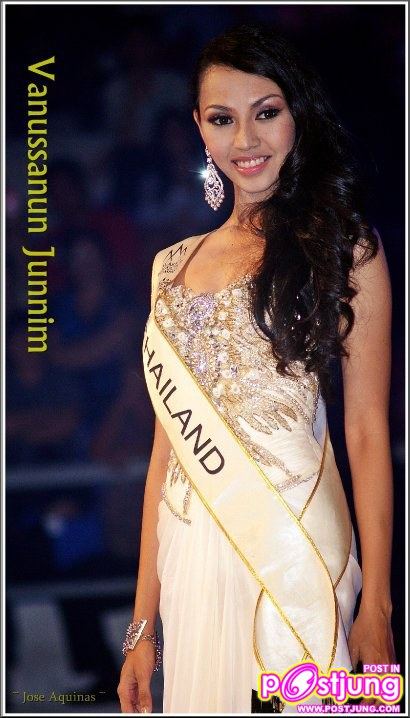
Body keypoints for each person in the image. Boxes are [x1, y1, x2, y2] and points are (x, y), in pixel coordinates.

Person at [117, 23, 397, 714]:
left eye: (265, 112)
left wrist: (379, 605)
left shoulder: (347, 249)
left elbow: (366, 433)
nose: (246, 139)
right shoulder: (169, 268)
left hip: (296, 546)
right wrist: (142, 627)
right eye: (223, 119)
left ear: (297, 114)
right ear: (199, 129)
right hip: (190, 552)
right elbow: (164, 457)